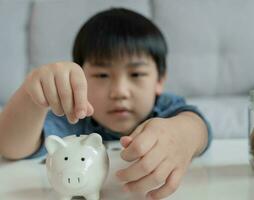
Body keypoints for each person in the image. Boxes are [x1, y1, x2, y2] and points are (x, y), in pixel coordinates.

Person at [0, 8, 211, 199]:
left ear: (160, 80)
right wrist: (32, 97)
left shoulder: (164, 108)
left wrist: (184, 136)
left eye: (136, 73)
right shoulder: (73, 116)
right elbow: (12, 148)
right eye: (102, 75)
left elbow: (197, 125)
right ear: (81, 78)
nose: (119, 91)